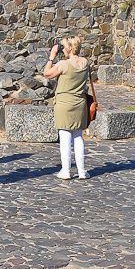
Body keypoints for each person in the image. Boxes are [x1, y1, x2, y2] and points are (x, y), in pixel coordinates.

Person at [43, 36, 91, 180]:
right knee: (78, 136)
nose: (62, 50)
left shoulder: (64, 64)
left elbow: (47, 73)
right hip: (79, 103)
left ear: (70, 48)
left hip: (64, 104)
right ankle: (82, 171)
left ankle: (66, 171)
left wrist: (51, 57)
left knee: (65, 137)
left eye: (64, 47)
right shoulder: (85, 63)